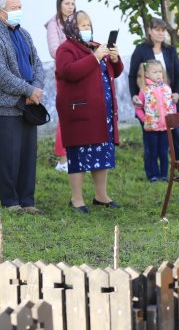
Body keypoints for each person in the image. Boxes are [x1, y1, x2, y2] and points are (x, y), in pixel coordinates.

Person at [0, 0, 45, 214]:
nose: (18, 11)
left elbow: (37, 63)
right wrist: (28, 89)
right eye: (14, 8)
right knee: (9, 155)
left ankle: (27, 200)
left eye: (20, 7)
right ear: (0, 11)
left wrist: (35, 88)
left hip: (28, 103)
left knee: (28, 153)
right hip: (4, 105)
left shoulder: (24, 34)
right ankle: (11, 201)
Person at [55, 11, 122, 213]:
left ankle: (101, 196)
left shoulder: (96, 46)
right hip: (80, 113)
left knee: (102, 153)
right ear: (71, 28)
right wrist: (94, 58)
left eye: (88, 25)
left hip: (102, 114)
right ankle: (77, 199)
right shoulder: (65, 49)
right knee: (79, 154)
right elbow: (69, 72)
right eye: (82, 25)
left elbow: (115, 71)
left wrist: (115, 58)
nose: (86, 29)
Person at [128, 18, 179, 174]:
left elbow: (178, 74)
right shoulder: (141, 50)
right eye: (157, 29)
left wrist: (177, 93)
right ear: (149, 31)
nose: (161, 33)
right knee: (151, 144)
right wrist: (134, 95)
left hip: (170, 105)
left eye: (163, 30)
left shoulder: (170, 50)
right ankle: (153, 175)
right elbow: (132, 75)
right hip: (149, 107)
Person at [44, 0, 75, 172]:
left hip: (81, 72)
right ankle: (63, 160)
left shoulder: (77, 21)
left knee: (79, 115)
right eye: (67, 3)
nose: (70, 7)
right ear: (59, 5)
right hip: (64, 73)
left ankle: (76, 156)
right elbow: (54, 50)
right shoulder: (53, 24)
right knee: (66, 115)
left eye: (72, 3)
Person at [135, 60, 176, 183]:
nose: (159, 74)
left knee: (164, 152)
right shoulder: (144, 90)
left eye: (160, 72)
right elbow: (138, 109)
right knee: (152, 152)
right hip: (151, 128)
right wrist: (145, 119)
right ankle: (153, 175)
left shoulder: (167, 88)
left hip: (165, 128)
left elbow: (172, 105)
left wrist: (172, 118)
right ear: (146, 74)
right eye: (155, 72)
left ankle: (164, 175)